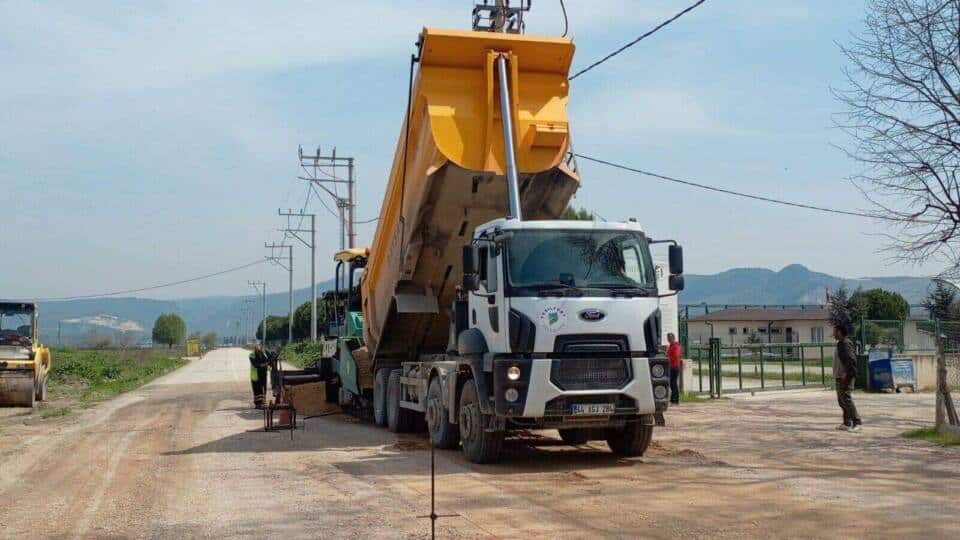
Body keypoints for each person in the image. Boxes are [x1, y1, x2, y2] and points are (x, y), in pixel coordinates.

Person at [833, 325, 862, 432]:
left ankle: (857, 422)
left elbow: (851, 359)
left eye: (835, 331)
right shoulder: (840, 344)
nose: (833, 334)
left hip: (846, 376)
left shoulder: (845, 343)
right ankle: (847, 423)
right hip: (839, 376)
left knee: (846, 398)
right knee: (842, 401)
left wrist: (846, 372)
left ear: (840, 332)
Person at [667, 332, 683, 405]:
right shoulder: (671, 346)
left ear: (673, 338)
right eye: (668, 338)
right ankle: (673, 399)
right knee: (672, 383)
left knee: (673, 383)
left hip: (674, 367)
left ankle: (675, 400)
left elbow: (676, 355)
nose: (668, 339)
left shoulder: (675, 346)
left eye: (669, 338)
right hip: (671, 366)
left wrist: (670, 360)